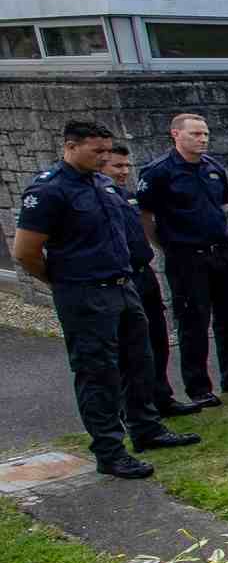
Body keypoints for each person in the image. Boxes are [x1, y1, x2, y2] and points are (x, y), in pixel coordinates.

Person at [11, 120, 200, 478]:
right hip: (84, 293)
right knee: (98, 373)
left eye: (106, 151)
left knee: (139, 361)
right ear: (70, 146)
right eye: (96, 151)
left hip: (123, 287)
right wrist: (62, 282)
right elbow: (25, 251)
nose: (104, 158)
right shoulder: (49, 190)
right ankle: (109, 450)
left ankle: (146, 428)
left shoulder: (103, 184)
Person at [137, 111, 228, 400]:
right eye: (195, 134)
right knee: (193, 321)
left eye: (205, 134)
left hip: (221, 251)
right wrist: (168, 246)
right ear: (176, 134)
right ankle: (198, 387)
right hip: (186, 255)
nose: (203, 139)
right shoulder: (158, 171)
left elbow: (217, 207)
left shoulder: (213, 168)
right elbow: (146, 216)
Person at [100, 142, 195, 418]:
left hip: (143, 274)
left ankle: (161, 397)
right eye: (117, 166)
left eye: (127, 166)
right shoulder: (97, 199)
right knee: (127, 349)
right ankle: (132, 408)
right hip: (119, 280)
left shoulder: (129, 197)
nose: (124, 171)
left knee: (156, 340)